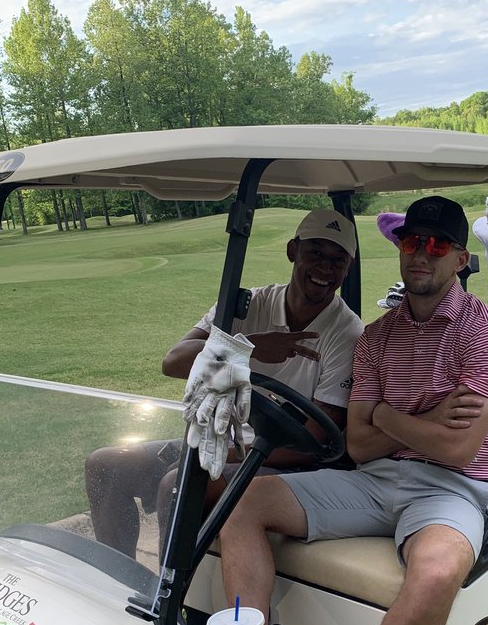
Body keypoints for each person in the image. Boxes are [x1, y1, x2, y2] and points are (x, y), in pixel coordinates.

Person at [217, 195, 488, 625]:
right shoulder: (378, 336)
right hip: (373, 479)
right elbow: (356, 443)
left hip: (450, 490)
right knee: (241, 504)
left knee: (436, 571)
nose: (419, 256)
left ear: (459, 258)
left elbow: (457, 449)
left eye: (435, 246)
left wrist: (388, 418)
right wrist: (418, 423)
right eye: (410, 243)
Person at [85, 205, 364, 559]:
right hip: (223, 439)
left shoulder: (346, 332)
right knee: (106, 464)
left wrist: (214, 452)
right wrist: (248, 348)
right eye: (315, 253)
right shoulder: (250, 304)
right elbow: (174, 361)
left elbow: (315, 442)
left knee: (180, 483)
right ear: (293, 251)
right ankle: (119, 580)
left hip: (284, 458)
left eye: (337, 261)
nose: (325, 268)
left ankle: (171, 601)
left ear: (348, 268)